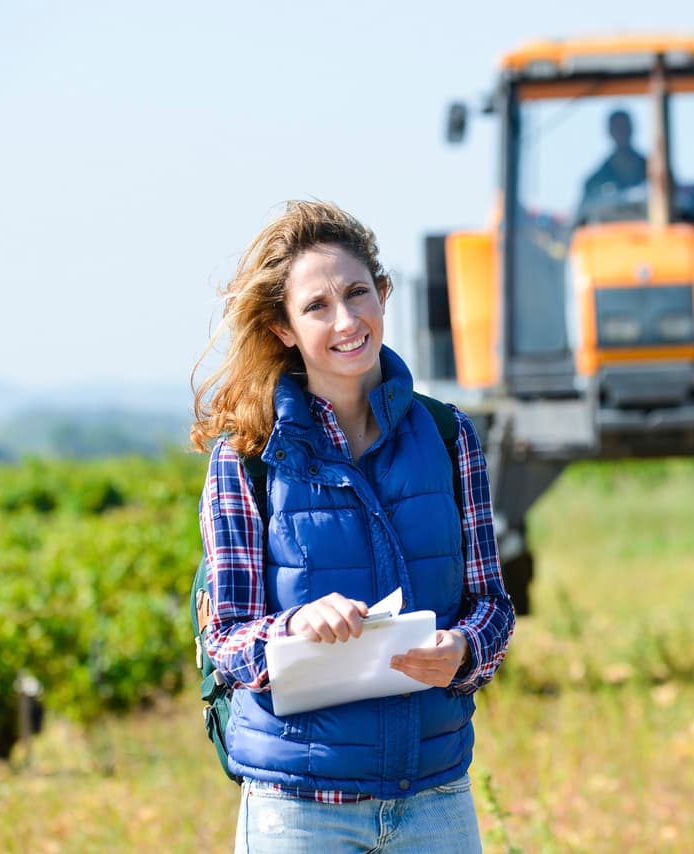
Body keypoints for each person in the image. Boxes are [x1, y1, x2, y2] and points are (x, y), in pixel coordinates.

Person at [190, 200, 514, 852]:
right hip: (299, 809)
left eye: (358, 293)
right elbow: (224, 639)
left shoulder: (451, 437)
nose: (346, 320)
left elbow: (494, 611)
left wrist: (464, 652)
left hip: (435, 797)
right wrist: (294, 628)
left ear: (384, 293)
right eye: (316, 306)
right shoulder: (246, 456)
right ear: (283, 328)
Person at [581, 108, 648, 205]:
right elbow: (584, 215)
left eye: (625, 127)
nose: (622, 133)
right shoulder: (595, 182)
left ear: (632, 129)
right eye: (618, 128)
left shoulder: (657, 173)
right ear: (610, 132)